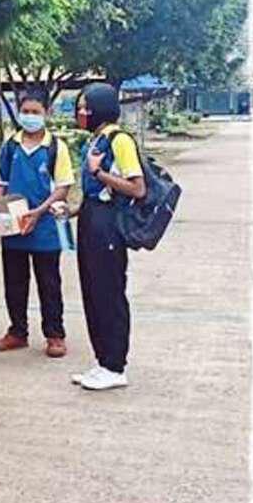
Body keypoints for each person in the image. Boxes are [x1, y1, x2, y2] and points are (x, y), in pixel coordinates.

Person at [69, 83, 146, 391]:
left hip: (109, 223)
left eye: (86, 107)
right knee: (92, 291)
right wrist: (73, 210)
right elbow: (93, 191)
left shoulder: (119, 140)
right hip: (91, 218)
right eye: (79, 107)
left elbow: (137, 188)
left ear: (101, 108)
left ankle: (115, 365)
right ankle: (102, 361)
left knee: (109, 292)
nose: (81, 113)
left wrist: (99, 173)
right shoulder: (96, 139)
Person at [0, 88, 74, 358]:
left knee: (49, 283)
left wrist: (38, 212)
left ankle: (55, 335)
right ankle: (17, 332)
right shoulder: (10, 147)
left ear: (47, 113)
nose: (30, 116)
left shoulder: (56, 147)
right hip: (14, 228)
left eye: (35, 112)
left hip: (45, 228)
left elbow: (63, 188)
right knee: (14, 282)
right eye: (25, 111)